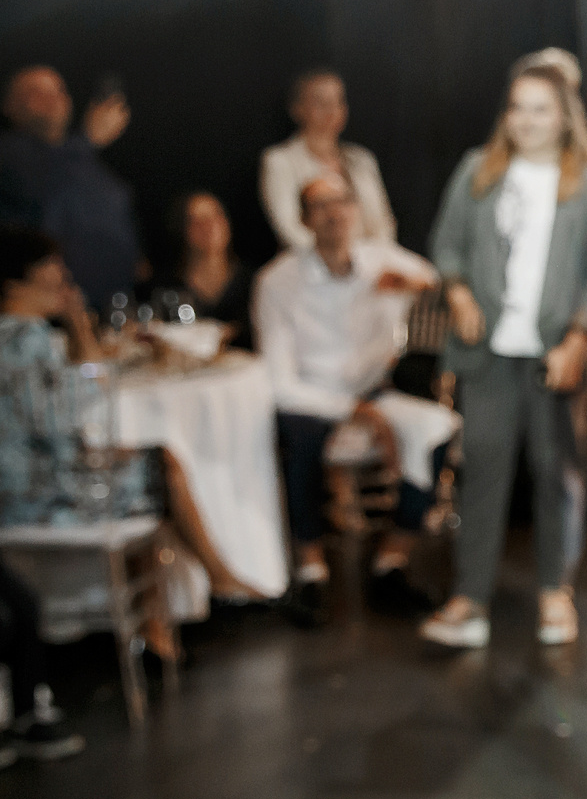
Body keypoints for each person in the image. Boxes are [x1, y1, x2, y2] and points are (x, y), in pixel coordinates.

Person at [420, 55, 587, 651]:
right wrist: (456, 291)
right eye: (517, 108)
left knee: (555, 477)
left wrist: (580, 339)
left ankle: (554, 592)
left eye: (540, 109)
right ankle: (470, 599)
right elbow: (446, 244)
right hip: (487, 357)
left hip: (552, 358)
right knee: (481, 472)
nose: (526, 120)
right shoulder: (477, 172)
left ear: (564, 117)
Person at [0, 226, 257, 600]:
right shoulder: (30, 340)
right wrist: (80, 327)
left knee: (143, 467)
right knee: (162, 465)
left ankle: (159, 626)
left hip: (0, 496)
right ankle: (216, 580)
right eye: (51, 267)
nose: (63, 276)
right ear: (17, 280)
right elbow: (63, 419)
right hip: (42, 498)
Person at [254, 175, 454, 626]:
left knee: (436, 427)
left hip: (374, 390)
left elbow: (431, 277)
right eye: (321, 205)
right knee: (301, 439)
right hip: (312, 397)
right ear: (305, 219)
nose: (335, 213)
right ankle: (310, 568)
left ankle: (392, 559)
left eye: (343, 202)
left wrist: (410, 285)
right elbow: (280, 385)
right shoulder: (278, 281)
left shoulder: (378, 258)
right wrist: (354, 413)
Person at [0, 64, 141, 310]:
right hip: (42, 318)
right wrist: (88, 139)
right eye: (35, 92)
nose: (51, 98)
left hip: (113, 315)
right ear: (9, 105)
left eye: (59, 91)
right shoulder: (2, 155)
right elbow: (43, 192)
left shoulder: (89, 164)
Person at [260, 68, 397, 253]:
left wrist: (372, 261)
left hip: (369, 265)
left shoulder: (361, 159)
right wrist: (336, 262)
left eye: (337, 101)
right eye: (320, 102)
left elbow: (382, 222)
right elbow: (289, 229)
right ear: (297, 109)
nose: (331, 110)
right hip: (310, 268)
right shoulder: (279, 161)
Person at [145, 191, 254, 344]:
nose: (209, 226)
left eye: (215, 216)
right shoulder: (164, 288)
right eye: (197, 220)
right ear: (182, 229)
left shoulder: (254, 283)